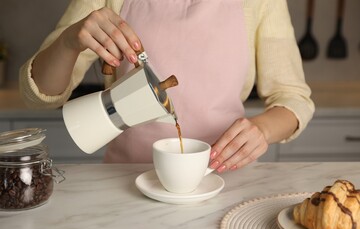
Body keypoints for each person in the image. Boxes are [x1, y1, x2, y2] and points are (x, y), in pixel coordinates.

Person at [19, 0, 315, 173]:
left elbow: (293, 98)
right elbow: (39, 96)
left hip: (227, 183)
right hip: (125, 183)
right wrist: (70, 40)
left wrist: (262, 130)